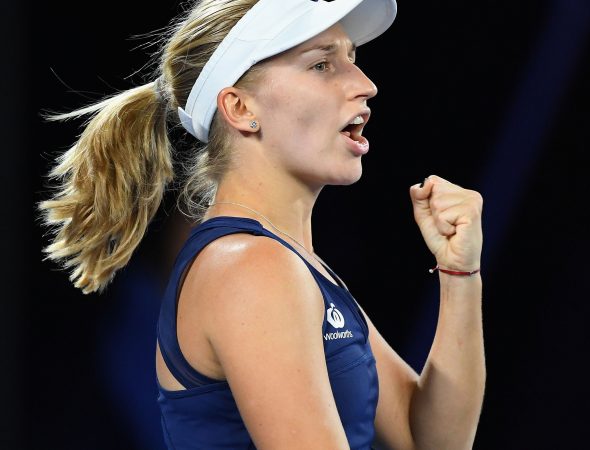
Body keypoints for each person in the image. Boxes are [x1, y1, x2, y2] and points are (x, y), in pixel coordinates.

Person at [38, 0, 486, 448]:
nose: (366, 85)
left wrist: (460, 273)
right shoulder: (251, 267)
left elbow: (428, 440)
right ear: (239, 107)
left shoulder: (288, 263)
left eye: (353, 58)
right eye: (322, 65)